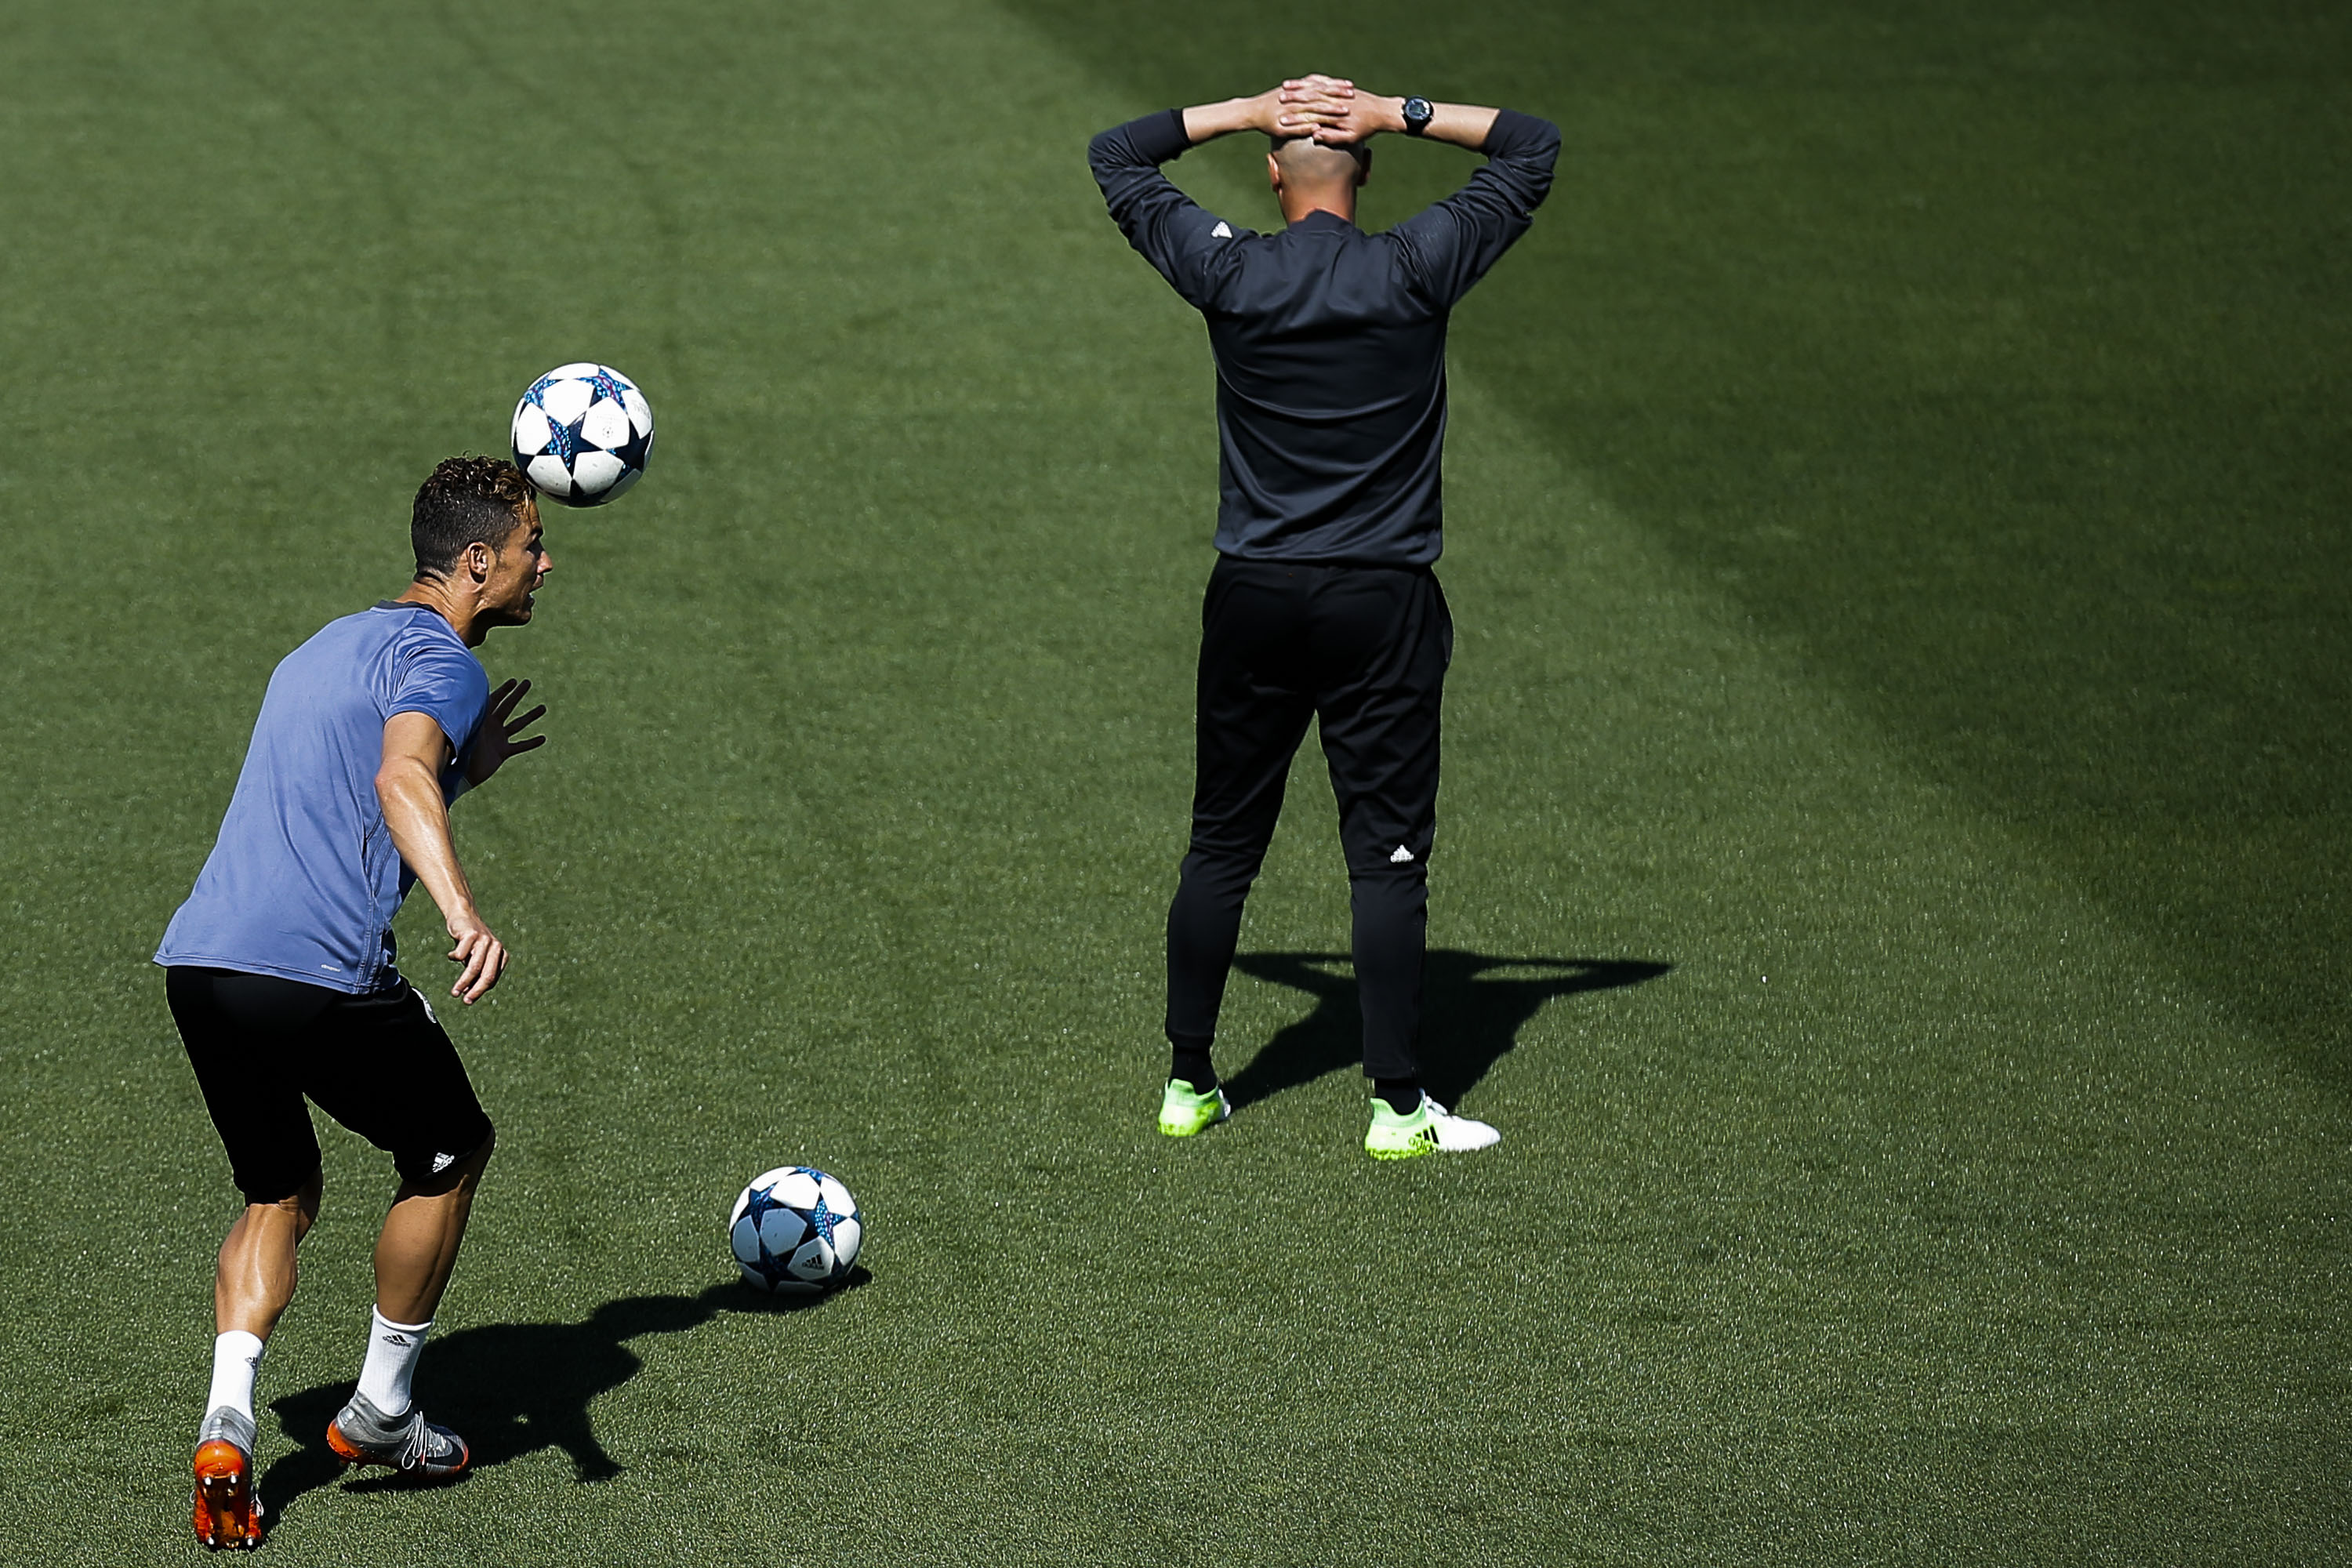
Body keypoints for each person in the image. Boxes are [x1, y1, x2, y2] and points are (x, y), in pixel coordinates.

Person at [1089, 77, 1560, 1158]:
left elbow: (1118, 155)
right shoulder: (1416, 266)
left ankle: (1188, 1083)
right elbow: (1532, 146)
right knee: (1384, 857)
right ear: (1366, 167)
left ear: (1270, 171)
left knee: (1221, 843)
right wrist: (1397, 108)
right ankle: (1397, 1110)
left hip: (1253, 593)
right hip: (1381, 600)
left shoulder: (1229, 269)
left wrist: (1251, 105)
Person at [156, 456, 554, 1548]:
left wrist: (462, 770)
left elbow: (361, 778)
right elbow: (395, 780)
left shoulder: (328, 643)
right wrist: (464, 910)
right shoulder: (443, 658)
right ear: (478, 562)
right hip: (315, 972)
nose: (544, 562)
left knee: (278, 1191)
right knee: (449, 1148)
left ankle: (228, 1421)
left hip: (203, 966)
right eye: (529, 548)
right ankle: (382, 1410)